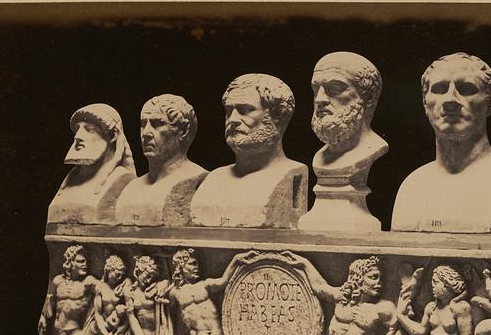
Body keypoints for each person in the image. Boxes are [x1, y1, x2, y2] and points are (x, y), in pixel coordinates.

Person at [392, 52, 491, 233]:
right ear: (425, 103)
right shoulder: (411, 185)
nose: (450, 100)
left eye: (466, 89)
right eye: (439, 89)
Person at [190, 74, 308, 228]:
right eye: (228, 110)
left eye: (245, 110)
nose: (232, 120)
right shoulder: (214, 178)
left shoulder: (290, 173)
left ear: (278, 114)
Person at [298, 51, 387, 230]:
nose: (320, 99)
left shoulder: (373, 148)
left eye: (335, 88)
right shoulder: (320, 157)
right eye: (316, 89)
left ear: (368, 98)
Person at [115, 94, 208, 226]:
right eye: (143, 124)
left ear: (183, 131)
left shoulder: (201, 182)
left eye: (157, 124)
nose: (146, 133)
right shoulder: (131, 188)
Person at [48, 103, 135, 224]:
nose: (77, 137)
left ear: (113, 136)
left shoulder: (122, 179)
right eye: (77, 129)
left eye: (89, 130)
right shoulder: (70, 181)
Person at [38, 245, 99, 335]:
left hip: (74, 333)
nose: (85, 265)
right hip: (57, 331)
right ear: (70, 263)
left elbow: (106, 289)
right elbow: (50, 300)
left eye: (86, 262)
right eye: (80, 261)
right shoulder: (58, 281)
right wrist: (42, 316)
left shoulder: (87, 282)